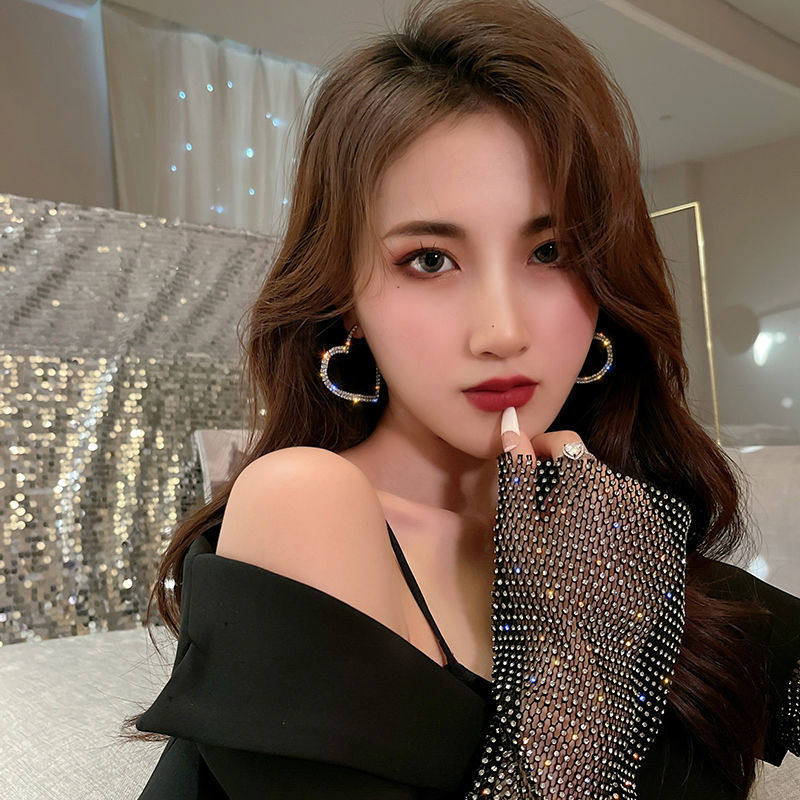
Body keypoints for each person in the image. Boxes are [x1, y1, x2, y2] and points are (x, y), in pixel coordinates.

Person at [120, 0, 800, 797]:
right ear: (344, 297)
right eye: (429, 260)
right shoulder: (305, 504)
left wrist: (603, 564)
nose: (502, 331)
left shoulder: (603, 526)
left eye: (550, 250)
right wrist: (576, 675)